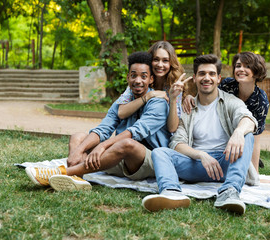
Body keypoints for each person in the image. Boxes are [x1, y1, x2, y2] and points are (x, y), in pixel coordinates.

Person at [25, 51, 171, 191]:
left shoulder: (158, 103)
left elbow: (134, 133)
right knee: (78, 138)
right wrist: (79, 150)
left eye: (143, 76)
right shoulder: (123, 102)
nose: (138, 80)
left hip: (149, 161)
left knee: (127, 143)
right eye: (133, 76)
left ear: (151, 79)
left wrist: (102, 147)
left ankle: (61, 173)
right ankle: (76, 179)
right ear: (128, 78)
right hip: (120, 159)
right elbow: (103, 129)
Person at [142, 54, 258, 215]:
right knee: (160, 152)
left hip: (226, 162)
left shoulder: (230, 102)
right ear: (195, 78)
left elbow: (249, 119)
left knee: (247, 135)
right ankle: (171, 192)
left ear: (219, 79)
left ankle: (230, 191)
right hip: (196, 164)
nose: (206, 78)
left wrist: (238, 132)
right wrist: (201, 155)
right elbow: (176, 143)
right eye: (202, 74)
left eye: (211, 74)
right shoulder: (187, 108)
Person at [183, 51, 268, 172]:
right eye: (238, 66)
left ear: (256, 71)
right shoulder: (227, 85)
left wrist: (254, 173)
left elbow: (256, 137)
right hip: (223, 139)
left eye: (247, 66)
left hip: (241, 136)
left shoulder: (261, 100)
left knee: (248, 135)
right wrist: (190, 97)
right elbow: (207, 93)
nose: (241, 69)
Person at [117, 41, 191, 133]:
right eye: (156, 59)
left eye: (165, 60)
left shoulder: (174, 85)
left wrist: (173, 98)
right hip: (139, 130)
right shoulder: (140, 81)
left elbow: (172, 128)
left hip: (161, 136)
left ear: (171, 63)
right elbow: (121, 113)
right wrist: (150, 95)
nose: (160, 65)